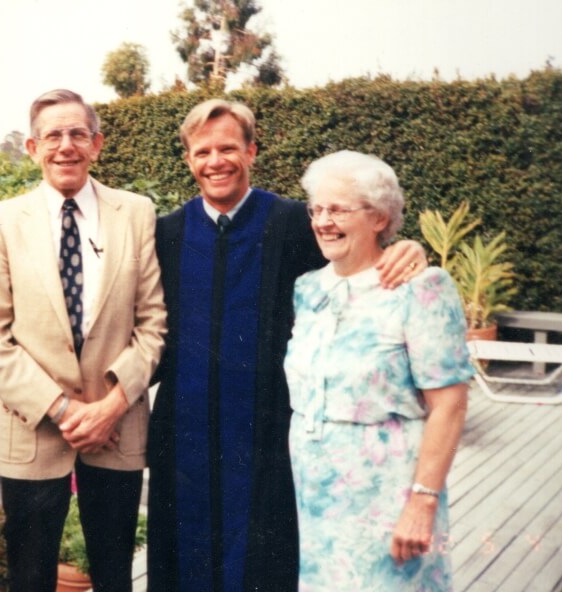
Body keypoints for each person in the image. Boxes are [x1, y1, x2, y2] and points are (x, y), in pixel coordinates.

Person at [146, 99, 428, 592]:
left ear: (252, 151)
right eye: (203, 151)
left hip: (268, 429)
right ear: (189, 160)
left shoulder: (294, 221)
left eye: (229, 148)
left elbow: (360, 250)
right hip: (184, 429)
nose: (216, 161)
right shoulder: (166, 232)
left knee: (264, 558)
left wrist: (409, 247)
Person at [0, 89, 166, 592]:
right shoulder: (4, 220)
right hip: (33, 430)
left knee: (114, 576)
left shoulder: (137, 212)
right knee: (30, 578)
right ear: (32, 148)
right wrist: (63, 410)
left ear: (96, 144)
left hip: (115, 429)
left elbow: (154, 323)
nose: (66, 146)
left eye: (78, 133)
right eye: (52, 135)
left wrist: (111, 406)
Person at [285, 150, 474, 590]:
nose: (323, 221)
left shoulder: (420, 287)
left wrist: (422, 502)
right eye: (317, 209)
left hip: (389, 497)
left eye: (339, 209)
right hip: (315, 500)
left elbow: (450, 404)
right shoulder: (308, 289)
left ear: (379, 217)